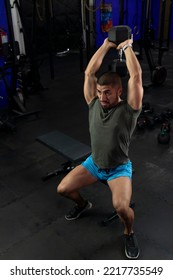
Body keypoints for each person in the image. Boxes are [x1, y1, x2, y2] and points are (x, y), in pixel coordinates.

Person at [57, 35, 143, 259]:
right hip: (94, 163)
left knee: (122, 208)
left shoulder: (128, 110)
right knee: (63, 189)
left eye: (107, 92)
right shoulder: (93, 103)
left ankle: (128, 232)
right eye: (99, 92)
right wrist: (106, 45)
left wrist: (127, 47)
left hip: (118, 168)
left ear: (119, 92)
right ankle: (84, 204)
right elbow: (88, 73)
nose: (102, 97)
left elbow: (136, 76)